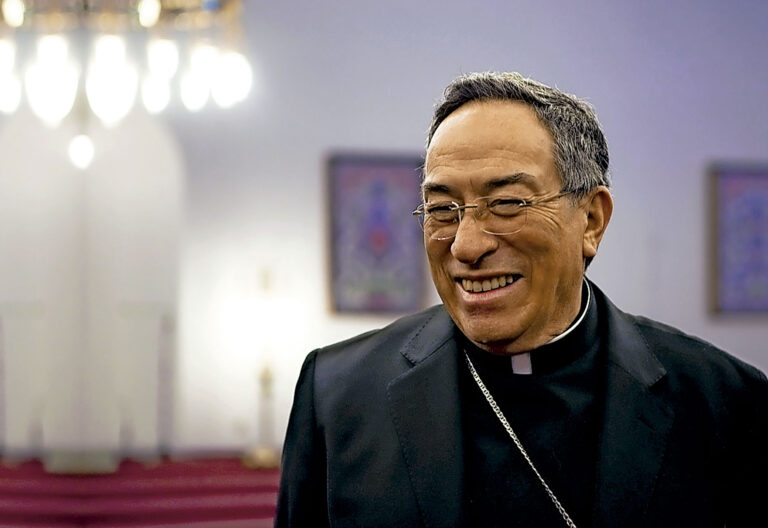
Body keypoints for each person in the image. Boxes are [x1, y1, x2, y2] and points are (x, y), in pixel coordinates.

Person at [275, 72, 767, 527]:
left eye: (508, 204)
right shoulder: (337, 394)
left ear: (591, 221)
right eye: (442, 209)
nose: (466, 245)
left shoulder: (725, 402)